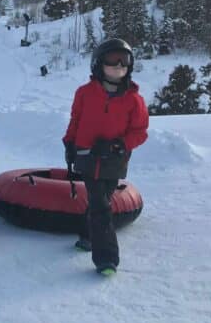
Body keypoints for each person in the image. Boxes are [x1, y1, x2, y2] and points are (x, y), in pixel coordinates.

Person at [63, 38, 149, 276]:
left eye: (124, 62)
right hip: (87, 157)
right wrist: (69, 143)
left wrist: (120, 145)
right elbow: (76, 120)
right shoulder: (84, 93)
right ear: (99, 64)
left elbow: (140, 132)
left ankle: (88, 236)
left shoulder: (134, 100)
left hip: (114, 161)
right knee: (100, 204)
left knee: (101, 199)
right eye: (112, 61)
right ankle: (106, 259)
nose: (119, 66)